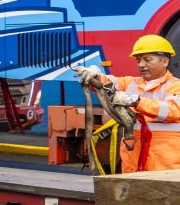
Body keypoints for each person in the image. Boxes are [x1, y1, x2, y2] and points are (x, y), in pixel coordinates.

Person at [74, 34, 180, 172]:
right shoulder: (131, 83)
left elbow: (173, 111)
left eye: (147, 60)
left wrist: (136, 101)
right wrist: (94, 76)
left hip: (164, 165)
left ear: (165, 61)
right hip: (133, 162)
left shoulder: (175, 86)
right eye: (138, 60)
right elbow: (106, 83)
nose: (141, 65)